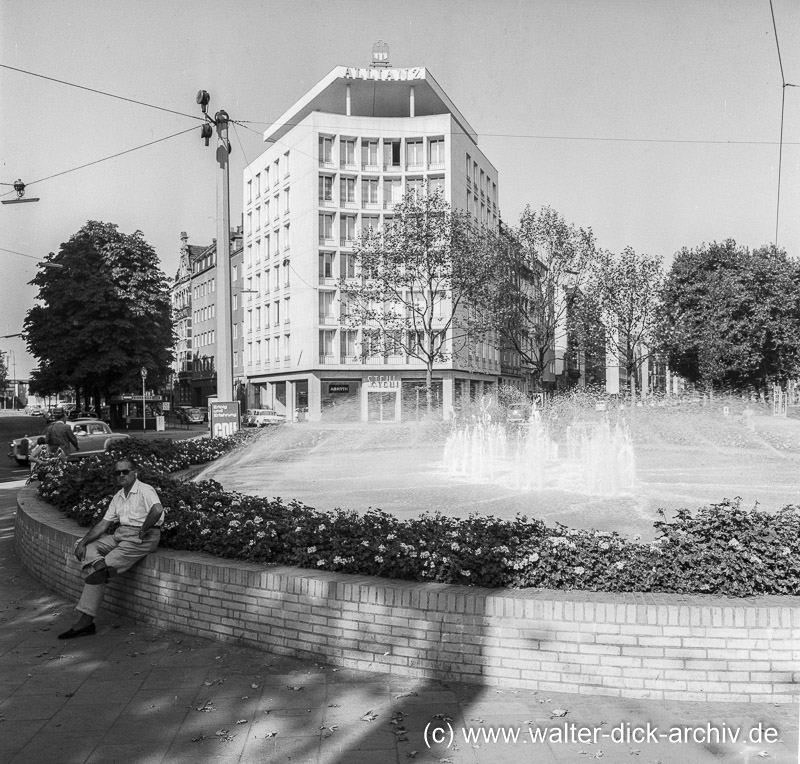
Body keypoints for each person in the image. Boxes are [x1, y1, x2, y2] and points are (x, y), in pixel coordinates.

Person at [57, 458, 164, 640]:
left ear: (134, 472)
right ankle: (101, 566)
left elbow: (157, 509)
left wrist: (144, 529)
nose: (121, 475)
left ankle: (85, 622)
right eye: (117, 472)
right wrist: (83, 542)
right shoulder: (118, 496)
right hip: (121, 534)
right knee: (81, 545)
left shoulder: (145, 490)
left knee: (94, 578)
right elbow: (103, 525)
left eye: (125, 471)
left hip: (142, 537)